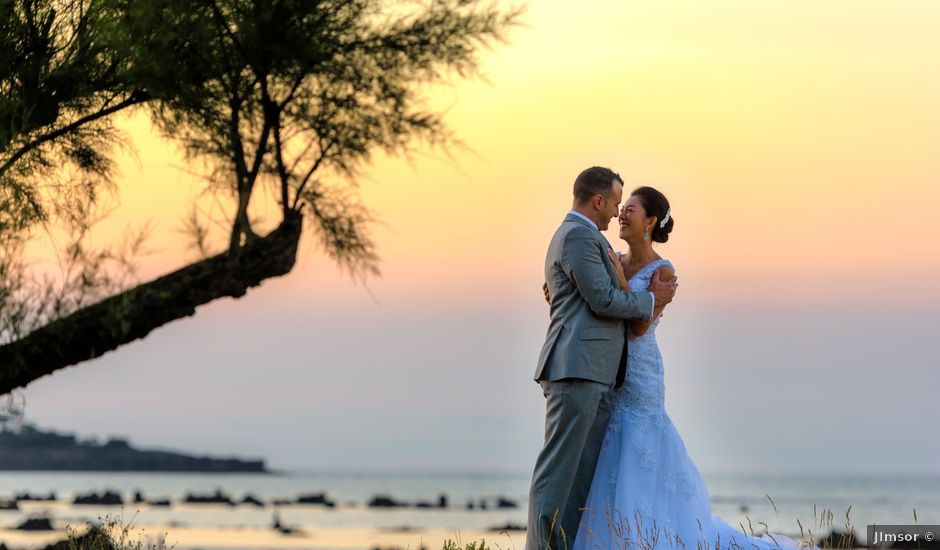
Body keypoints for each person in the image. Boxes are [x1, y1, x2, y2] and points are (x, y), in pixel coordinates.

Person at [570, 186, 810, 550]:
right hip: (610, 370)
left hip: (642, 371)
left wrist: (620, 282)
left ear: (650, 221)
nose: (622, 215)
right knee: (612, 447)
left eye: (630, 209)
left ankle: (641, 536)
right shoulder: (613, 257)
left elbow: (639, 326)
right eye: (622, 209)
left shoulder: (662, 270)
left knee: (638, 441)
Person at [526, 167, 678, 550]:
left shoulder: (595, 242)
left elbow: (585, 296)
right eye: (615, 203)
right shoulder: (580, 236)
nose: (617, 213)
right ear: (598, 201)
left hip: (604, 374)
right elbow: (604, 299)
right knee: (559, 473)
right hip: (579, 369)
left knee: (582, 478)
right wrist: (650, 301)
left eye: (627, 208)